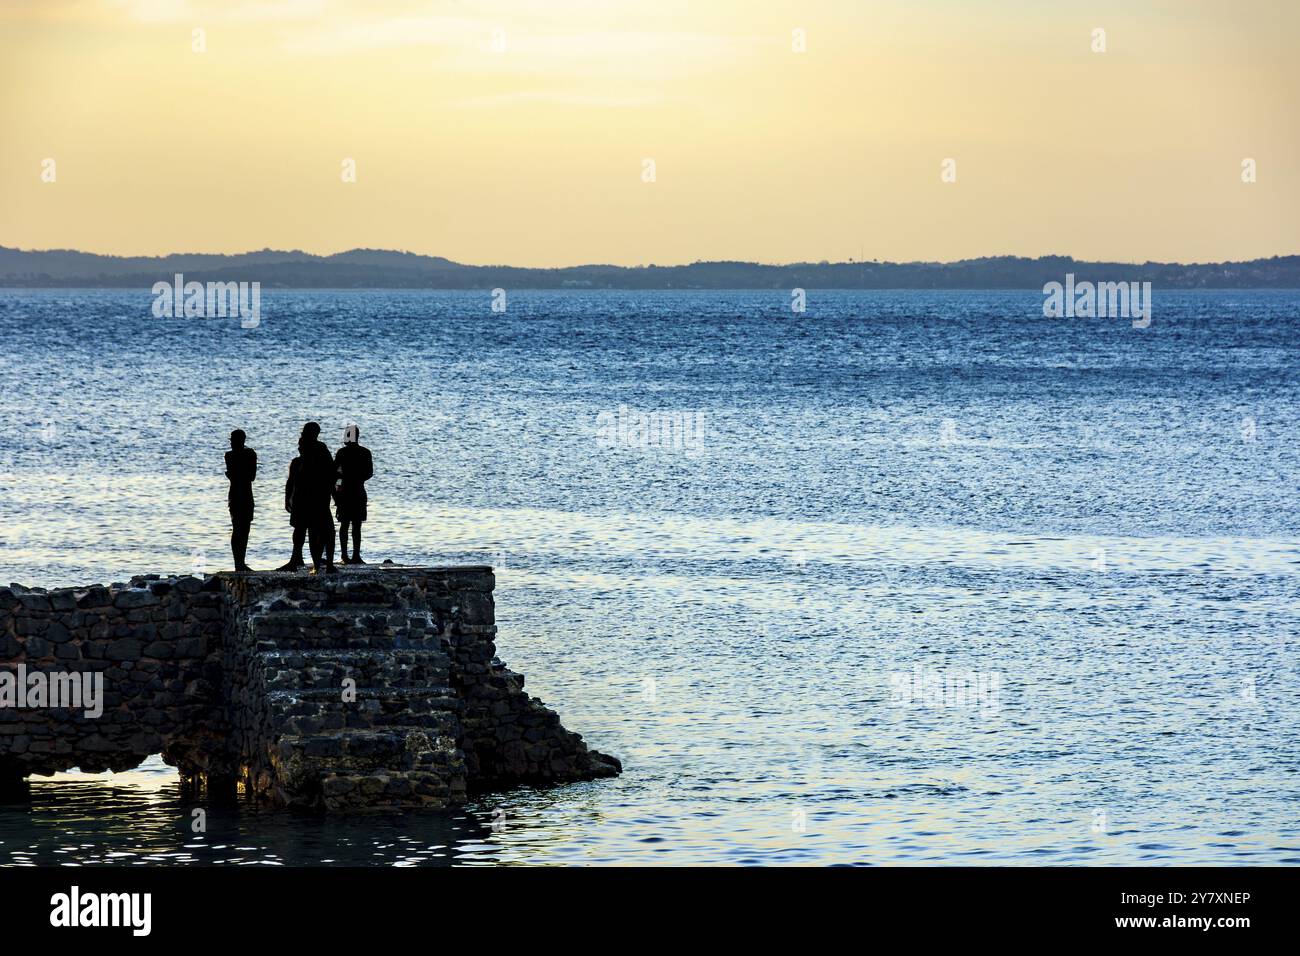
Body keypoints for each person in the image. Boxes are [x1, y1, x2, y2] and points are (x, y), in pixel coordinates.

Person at [296, 421, 337, 574]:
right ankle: (326, 565)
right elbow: (332, 473)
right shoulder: (319, 448)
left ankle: (318, 565)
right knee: (325, 531)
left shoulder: (308, 450)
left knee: (316, 532)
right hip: (319, 495)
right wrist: (335, 492)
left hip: (311, 496)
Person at [334, 423, 373, 564]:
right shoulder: (365, 452)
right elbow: (369, 473)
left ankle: (345, 555)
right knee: (357, 525)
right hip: (358, 490)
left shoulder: (342, 453)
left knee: (345, 524)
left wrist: (337, 489)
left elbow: (334, 474)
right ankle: (355, 555)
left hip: (345, 491)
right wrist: (358, 478)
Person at [224, 429, 257, 572]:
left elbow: (248, 476)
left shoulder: (239, 455)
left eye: (234, 440)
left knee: (243, 528)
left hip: (241, 493)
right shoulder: (234, 455)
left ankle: (240, 562)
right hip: (239, 494)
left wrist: (236, 474)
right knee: (239, 528)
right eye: (231, 440)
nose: (231, 443)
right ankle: (239, 563)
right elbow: (249, 475)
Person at [276, 439, 308, 571]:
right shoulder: (296, 462)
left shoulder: (312, 461)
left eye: (301, 446)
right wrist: (287, 498)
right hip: (299, 499)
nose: (299, 448)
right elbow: (290, 482)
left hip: (308, 499)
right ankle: (297, 557)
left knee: (306, 529)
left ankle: (298, 559)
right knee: (299, 529)